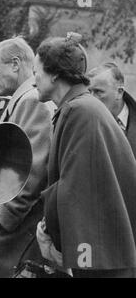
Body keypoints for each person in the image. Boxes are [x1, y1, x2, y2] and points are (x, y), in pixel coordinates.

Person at [33, 33, 136, 277]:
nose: (33, 78)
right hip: (104, 253)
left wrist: (47, 230)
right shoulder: (82, 105)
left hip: (102, 260)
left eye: (36, 70)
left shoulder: (78, 109)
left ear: (55, 74)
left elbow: (73, 189)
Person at [0, 37, 52, 278]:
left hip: (15, 231)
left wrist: (4, 218)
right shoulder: (24, 100)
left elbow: (31, 172)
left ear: (15, 64)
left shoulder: (32, 102)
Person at [88, 62, 136, 158]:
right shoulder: (85, 120)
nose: (91, 98)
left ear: (119, 92)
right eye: (89, 92)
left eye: (98, 92)